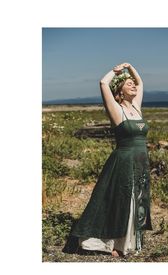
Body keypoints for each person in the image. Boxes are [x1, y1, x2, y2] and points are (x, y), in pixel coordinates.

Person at [62, 62, 153, 257]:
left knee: (138, 200)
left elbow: (141, 82)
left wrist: (132, 68)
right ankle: (112, 243)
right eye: (128, 84)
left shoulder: (136, 108)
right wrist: (116, 71)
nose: (133, 86)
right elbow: (103, 83)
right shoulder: (116, 109)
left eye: (133, 84)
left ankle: (127, 242)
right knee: (122, 199)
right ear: (119, 90)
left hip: (140, 160)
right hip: (123, 161)